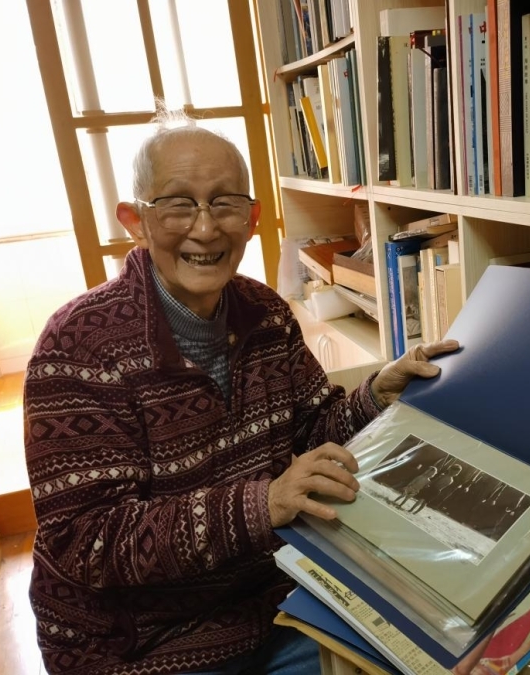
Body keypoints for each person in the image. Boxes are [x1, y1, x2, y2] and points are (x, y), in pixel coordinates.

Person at [23, 105, 459, 675]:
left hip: (272, 602)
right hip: (140, 645)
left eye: (225, 203)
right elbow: (84, 540)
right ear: (136, 221)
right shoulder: (77, 345)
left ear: (252, 218)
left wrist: (376, 393)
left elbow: (314, 429)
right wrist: (262, 504)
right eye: (178, 204)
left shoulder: (265, 312)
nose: (206, 229)